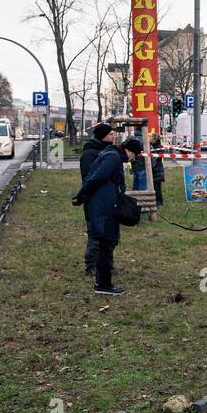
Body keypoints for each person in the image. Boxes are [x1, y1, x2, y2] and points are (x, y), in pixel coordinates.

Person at [73, 137, 141, 295]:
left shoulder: (111, 155)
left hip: (105, 205)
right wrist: (82, 194)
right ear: (129, 150)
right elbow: (98, 177)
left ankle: (103, 282)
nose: (134, 158)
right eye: (135, 154)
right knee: (106, 243)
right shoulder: (113, 157)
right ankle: (103, 284)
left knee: (107, 243)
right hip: (104, 207)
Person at [78, 123, 115, 277]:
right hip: (94, 200)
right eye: (110, 133)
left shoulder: (108, 151)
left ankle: (107, 264)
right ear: (102, 135)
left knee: (110, 235)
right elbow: (89, 178)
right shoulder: (90, 153)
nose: (113, 136)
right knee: (95, 234)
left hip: (109, 199)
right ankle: (91, 266)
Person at [150, 136, 166, 206]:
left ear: (155, 139)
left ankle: (159, 202)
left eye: (151, 138)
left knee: (157, 187)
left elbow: (158, 158)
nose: (150, 139)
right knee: (156, 187)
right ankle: (157, 201)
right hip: (157, 169)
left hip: (157, 169)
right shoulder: (153, 146)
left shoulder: (158, 147)